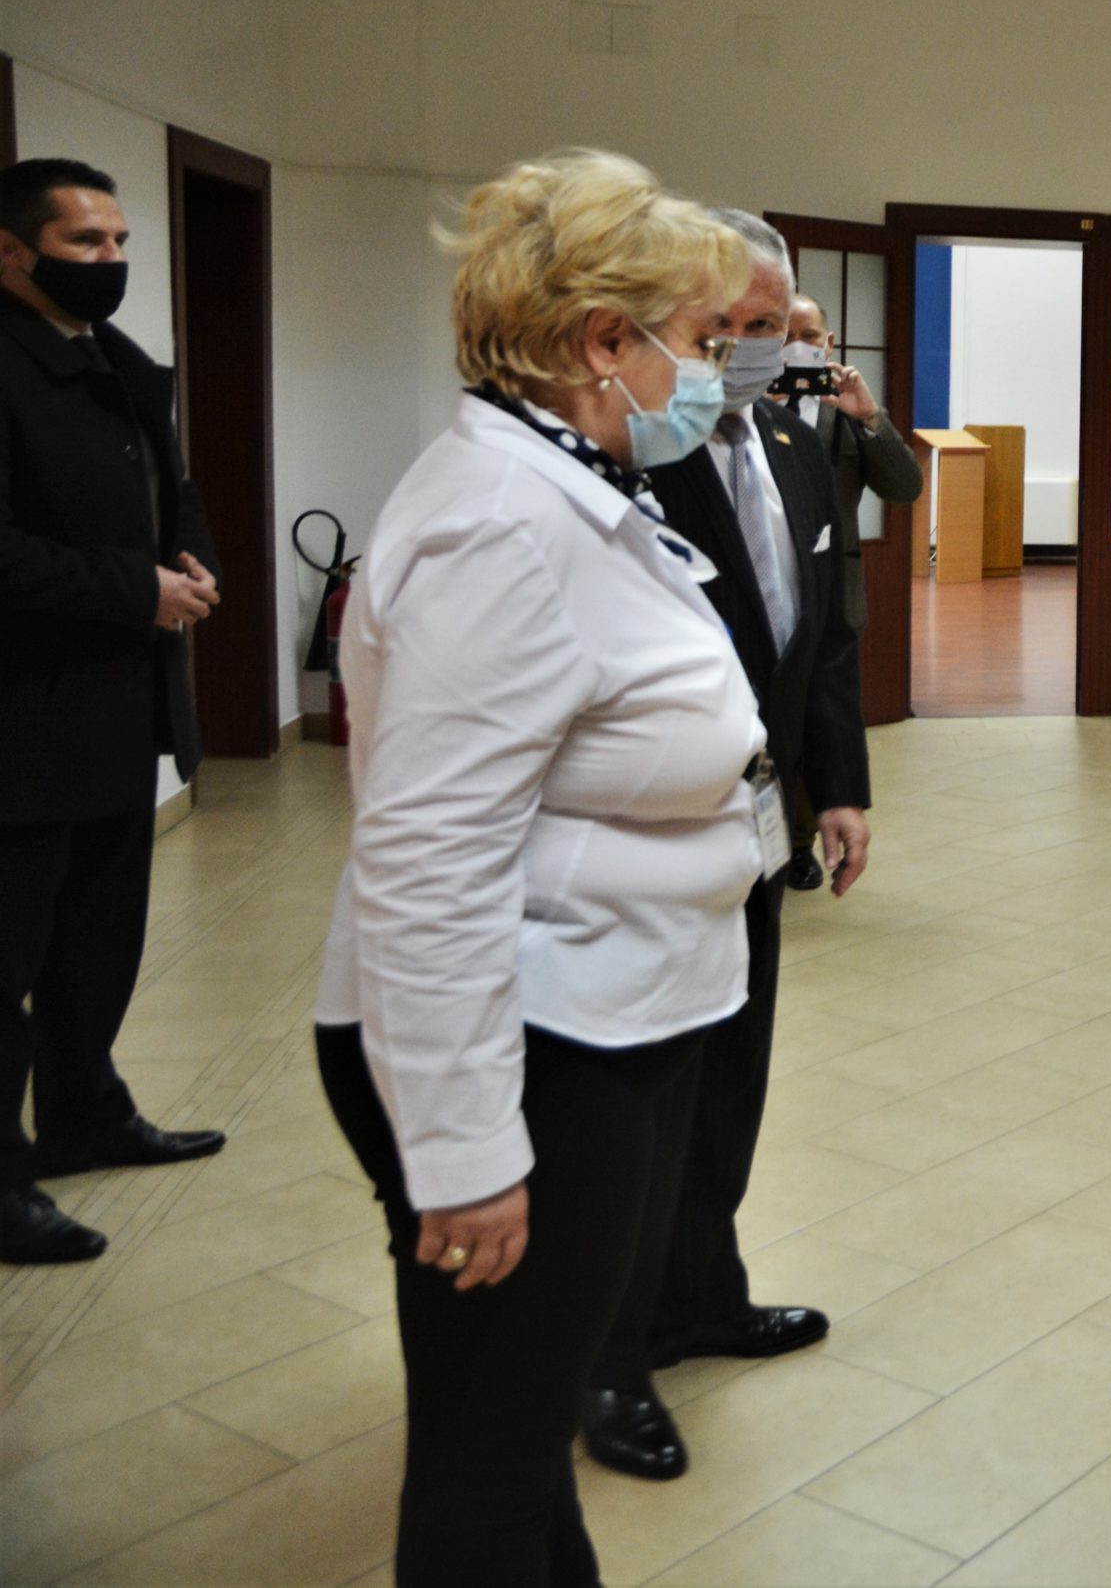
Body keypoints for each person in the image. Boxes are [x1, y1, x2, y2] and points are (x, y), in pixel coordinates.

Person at [309, 149, 762, 1583]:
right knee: (492, 1461)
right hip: (529, 1048)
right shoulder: (495, 526)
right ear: (600, 344)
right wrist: (463, 1154)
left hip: (605, 1014)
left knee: (511, 1418)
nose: (714, 373)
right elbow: (428, 862)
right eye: (698, 341)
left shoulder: (569, 483)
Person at [579, 212, 874, 1483]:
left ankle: (703, 1289)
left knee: (734, 1072)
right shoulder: (624, 462)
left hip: (755, 825)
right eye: (726, 330)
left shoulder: (802, 450)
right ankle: (603, 1351)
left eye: (769, 327)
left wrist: (837, 789)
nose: (749, 352)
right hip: (643, 833)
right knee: (641, 1096)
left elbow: (822, 639)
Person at [0, 158, 228, 1267]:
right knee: (9, 958)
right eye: (86, 244)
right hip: (21, 720)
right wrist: (133, 590)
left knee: (100, 937)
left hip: (117, 712)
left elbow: (174, 490)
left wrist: (193, 558)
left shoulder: (119, 360)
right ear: (13, 251)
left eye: (121, 243)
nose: (112, 263)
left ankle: (87, 1113)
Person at [774, 291, 921, 890]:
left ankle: (802, 841)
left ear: (828, 345)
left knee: (825, 720)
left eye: (808, 337)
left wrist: (870, 416)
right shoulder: (744, 411)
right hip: (769, 591)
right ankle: (762, 837)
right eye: (782, 336)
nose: (796, 348)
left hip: (835, 595)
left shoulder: (846, 412)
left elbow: (905, 487)